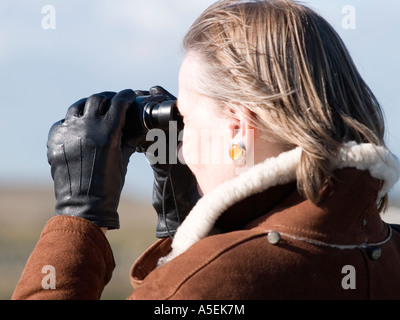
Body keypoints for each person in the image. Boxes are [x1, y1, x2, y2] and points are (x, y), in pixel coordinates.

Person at [12, 0, 400, 300]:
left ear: (238, 130)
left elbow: (209, 280)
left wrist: (78, 218)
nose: (181, 151)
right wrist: (186, 231)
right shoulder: (386, 249)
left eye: (188, 123)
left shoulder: (204, 285)